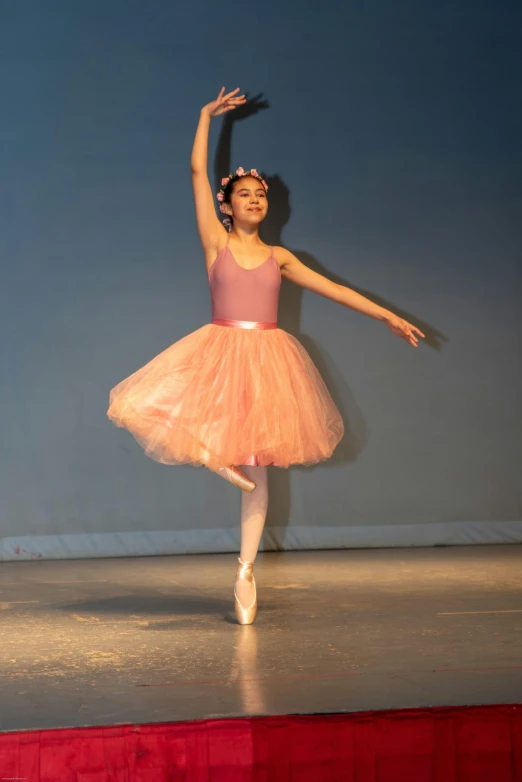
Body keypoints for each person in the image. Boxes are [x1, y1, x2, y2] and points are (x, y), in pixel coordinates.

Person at [107, 86, 425, 625]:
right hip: (222, 347)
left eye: (261, 195)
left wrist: (385, 315)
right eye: (245, 194)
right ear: (227, 206)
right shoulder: (216, 244)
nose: (255, 199)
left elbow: (336, 289)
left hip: (271, 358)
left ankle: (245, 570)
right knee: (176, 419)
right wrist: (206, 116)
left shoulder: (280, 257)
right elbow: (194, 175)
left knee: (261, 474)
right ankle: (213, 457)